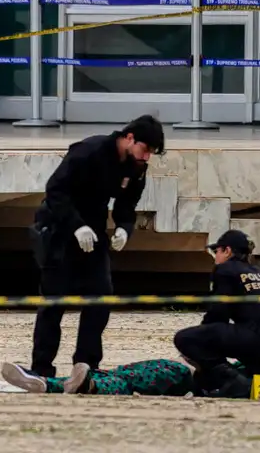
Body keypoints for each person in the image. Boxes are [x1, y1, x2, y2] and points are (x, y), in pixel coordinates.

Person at [27, 115, 165, 378]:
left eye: (151, 154)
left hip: (95, 230)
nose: (147, 157)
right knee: (54, 301)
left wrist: (124, 227)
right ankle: (42, 368)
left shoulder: (136, 168)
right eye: (145, 149)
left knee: (100, 297)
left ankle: (86, 364)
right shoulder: (89, 151)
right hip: (58, 226)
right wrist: (75, 226)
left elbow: (127, 204)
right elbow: (55, 190)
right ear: (129, 138)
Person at [172, 230, 260, 398]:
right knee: (239, 334)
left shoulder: (225, 270)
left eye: (216, 251)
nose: (215, 256)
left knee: (184, 338)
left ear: (227, 251)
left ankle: (235, 381)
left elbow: (218, 312)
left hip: (255, 339)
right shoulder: (258, 273)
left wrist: (199, 342)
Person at [0, 358, 260, 398]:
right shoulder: (247, 365)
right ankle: (46, 383)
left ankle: (86, 383)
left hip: (184, 381)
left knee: (127, 379)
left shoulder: (255, 374)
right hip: (184, 379)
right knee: (123, 375)